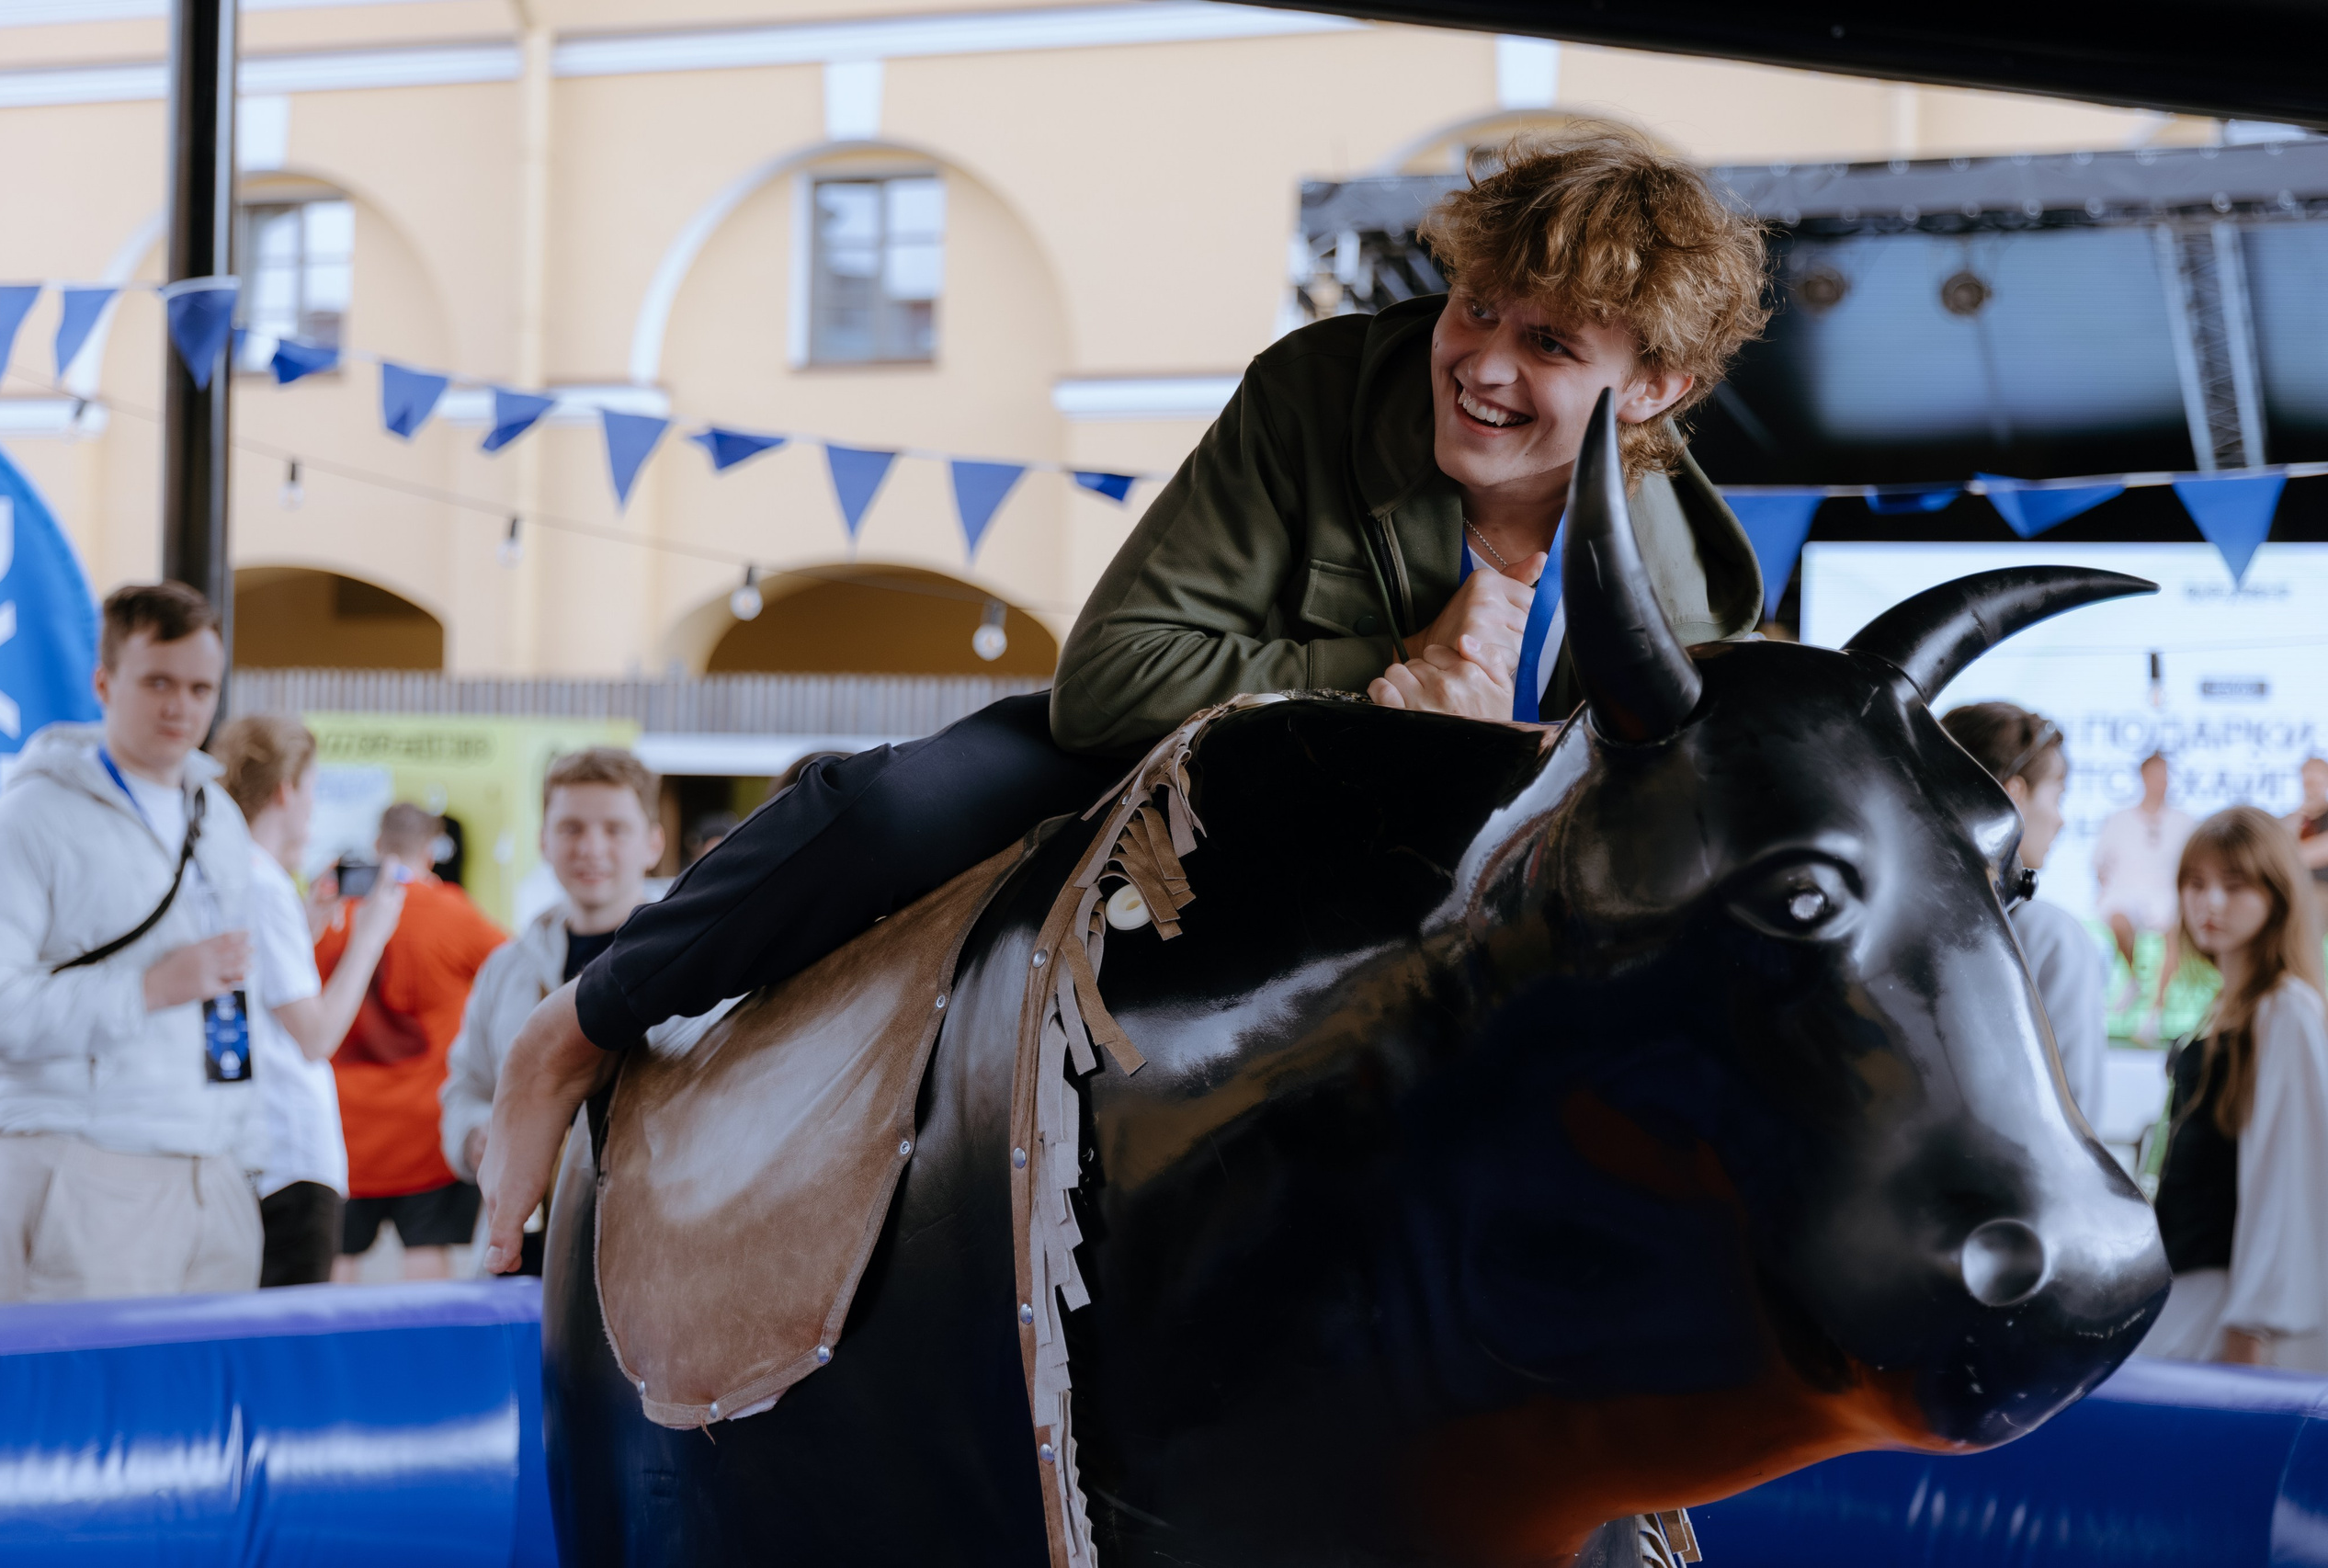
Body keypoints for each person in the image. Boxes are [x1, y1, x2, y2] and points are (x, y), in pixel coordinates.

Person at [481, 126, 1773, 1278]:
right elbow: (1112, 678)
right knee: (887, 807)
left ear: (1655, 384)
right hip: (1188, 761)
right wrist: (1379, 680)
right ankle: (576, 1026)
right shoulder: (1321, 388)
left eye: (1547, 342)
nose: (1480, 361)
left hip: (1446, 875)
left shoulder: (1696, 587)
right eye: (1476, 307)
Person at [0, 582, 261, 1303]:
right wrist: (150, 988)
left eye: (201, 687)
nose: (181, 706)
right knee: (67, 1413)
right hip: (83, 1163)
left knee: (199, 1415)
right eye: (158, 682)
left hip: (215, 1168)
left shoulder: (218, 813)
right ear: (104, 682)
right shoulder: (23, 822)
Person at [441, 749, 665, 1275]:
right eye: (571, 828)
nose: (591, 847)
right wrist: (478, 1136)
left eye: (615, 829)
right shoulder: (505, 967)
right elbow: (466, 1087)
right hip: (521, 1247)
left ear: (652, 843)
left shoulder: (696, 963)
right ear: (543, 840)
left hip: (651, 1252)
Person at [210, 716, 407, 1287]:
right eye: (313, 789)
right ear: (286, 790)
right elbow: (316, 1035)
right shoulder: (264, 882)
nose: (313, 808)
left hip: (251, 1148)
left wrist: (307, 925)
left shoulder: (232, 871)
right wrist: (369, 937)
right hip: (289, 1152)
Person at [2138, 806, 2328, 1369]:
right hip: (2189, 1296)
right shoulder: (2227, 1010)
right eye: (2195, 885)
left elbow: (2288, 1178)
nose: (2209, 903)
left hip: (2228, 1315)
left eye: (2234, 885)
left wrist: (2254, 1322)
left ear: (2276, 894)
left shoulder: (2285, 1009)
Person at [318, 803, 506, 1281]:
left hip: (345, 1132)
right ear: (432, 849)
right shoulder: (454, 914)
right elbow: (516, 970)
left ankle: (334, 1356)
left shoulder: (336, 914)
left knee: (337, 1257)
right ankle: (425, 1358)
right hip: (425, 1129)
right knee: (427, 1249)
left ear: (377, 845)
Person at [1942, 702, 2108, 1122]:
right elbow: (2074, 1117)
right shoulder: (2047, 936)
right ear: (2013, 793)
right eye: (2058, 795)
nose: (2060, 820)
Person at [2095, 751, 2194, 1029]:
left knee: (2172, 932)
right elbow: (2100, 863)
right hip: (2125, 891)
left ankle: (2154, 1014)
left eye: (2164, 775)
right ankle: (2133, 979)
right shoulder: (2119, 820)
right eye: (2155, 774)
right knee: (2117, 918)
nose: (2160, 781)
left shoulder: (2184, 822)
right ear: (2143, 777)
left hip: (2166, 894)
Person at [2283, 754, 2328, 922]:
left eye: (2317, 782)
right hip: (2295, 888)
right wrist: (2300, 815)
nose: (2312, 788)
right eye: (2308, 782)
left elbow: (2314, 854)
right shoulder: (2294, 819)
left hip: (2320, 890)